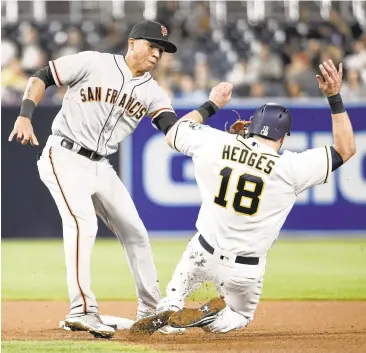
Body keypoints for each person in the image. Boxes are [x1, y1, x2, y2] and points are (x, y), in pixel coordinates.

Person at [8, 19, 231, 339]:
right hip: (65, 153)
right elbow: (40, 77)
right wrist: (25, 115)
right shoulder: (92, 62)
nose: (157, 54)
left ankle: (152, 311)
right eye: (152, 46)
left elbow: (175, 131)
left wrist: (211, 106)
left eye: (162, 50)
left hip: (100, 166)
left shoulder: (153, 92)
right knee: (84, 224)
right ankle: (82, 310)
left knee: (136, 232)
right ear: (132, 43)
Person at [130, 59, 356, 335]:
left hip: (201, 253)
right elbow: (345, 149)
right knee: (239, 315)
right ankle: (210, 319)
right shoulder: (291, 168)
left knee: (174, 296)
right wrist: (334, 97)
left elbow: (174, 132)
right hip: (244, 271)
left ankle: (171, 305)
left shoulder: (216, 142)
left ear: (250, 126)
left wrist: (211, 105)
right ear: (283, 138)